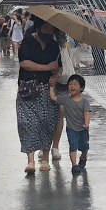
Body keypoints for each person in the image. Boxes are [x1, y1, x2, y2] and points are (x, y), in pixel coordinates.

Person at [17, 18, 62, 173]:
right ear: (38, 28)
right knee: (27, 122)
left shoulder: (54, 45)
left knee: (47, 122)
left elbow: (58, 67)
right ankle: (30, 161)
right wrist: (46, 67)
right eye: (46, 29)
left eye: (51, 30)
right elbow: (24, 63)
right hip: (28, 88)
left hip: (47, 89)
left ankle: (45, 158)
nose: (48, 33)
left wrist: (56, 74)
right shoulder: (28, 42)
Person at [49, 74, 90, 175]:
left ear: (82, 87)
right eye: (70, 84)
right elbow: (53, 97)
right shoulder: (66, 99)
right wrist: (51, 86)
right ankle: (74, 165)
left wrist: (87, 122)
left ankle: (83, 157)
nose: (72, 86)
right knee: (73, 145)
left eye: (75, 84)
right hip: (71, 128)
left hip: (83, 128)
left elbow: (87, 112)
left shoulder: (84, 101)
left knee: (84, 146)